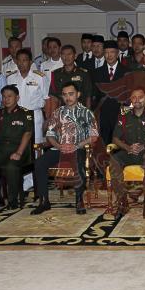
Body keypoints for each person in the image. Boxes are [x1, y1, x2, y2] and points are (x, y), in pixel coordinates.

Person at [32, 82, 98, 215]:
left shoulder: (87, 113)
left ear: (78, 94)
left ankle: (79, 201)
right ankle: (44, 202)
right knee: (39, 163)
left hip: (78, 148)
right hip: (59, 149)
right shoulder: (58, 112)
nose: (68, 97)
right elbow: (50, 134)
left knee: (79, 164)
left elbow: (94, 136)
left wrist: (76, 145)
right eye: (65, 95)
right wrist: (59, 146)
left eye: (71, 94)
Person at [109, 87, 145, 219]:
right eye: (134, 97)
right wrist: (127, 147)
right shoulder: (124, 117)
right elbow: (115, 139)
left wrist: (144, 146)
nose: (137, 100)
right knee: (114, 160)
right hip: (129, 152)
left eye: (140, 97)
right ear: (131, 100)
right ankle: (122, 202)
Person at [6, 49, 49, 143]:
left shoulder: (40, 77)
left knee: (36, 144)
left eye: (24, 60)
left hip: (34, 115)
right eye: (19, 60)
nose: (21, 63)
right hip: (16, 116)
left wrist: (48, 119)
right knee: (17, 143)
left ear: (30, 62)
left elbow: (47, 99)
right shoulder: (10, 78)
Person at [93, 40, 129, 145]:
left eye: (112, 52)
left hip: (120, 114)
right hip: (103, 115)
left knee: (120, 144)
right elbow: (95, 95)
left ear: (117, 53)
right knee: (104, 145)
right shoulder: (97, 72)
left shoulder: (126, 72)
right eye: (106, 52)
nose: (109, 55)